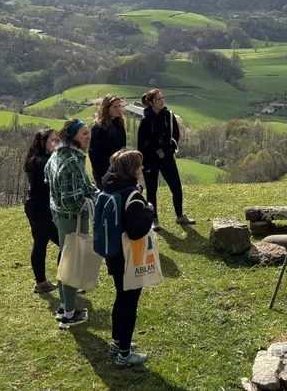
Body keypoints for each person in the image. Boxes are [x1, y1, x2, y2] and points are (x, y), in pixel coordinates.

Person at [99, 149, 156, 368]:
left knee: (120, 297)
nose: (143, 168)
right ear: (133, 170)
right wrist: (149, 211)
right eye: (140, 165)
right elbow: (135, 231)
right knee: (129, 303)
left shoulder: (110, 187)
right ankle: (125, 354)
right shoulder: (132, 196)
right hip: (128, 257)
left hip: (114, 254)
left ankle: (117, 342)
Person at [45, 117, 99, 329]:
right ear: (72, 136)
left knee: (66, 261)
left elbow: (49, 178)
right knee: (72, 265)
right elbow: (73, 201)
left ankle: (64, 306)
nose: (88, 137)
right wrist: (93, 202)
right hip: (72, 220)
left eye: (89, 133)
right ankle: (68, 314)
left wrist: (96, 193)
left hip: (60, 216)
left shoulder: (59, 154)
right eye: (84, 133)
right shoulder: (70, 162)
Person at [136, 89, 194, 230]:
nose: (162, 101)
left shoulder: (169, 116)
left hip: (167, 158)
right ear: (151, 102)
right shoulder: (145, 121)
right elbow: (141, 145)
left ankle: (180, 215)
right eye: (158, 99)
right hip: (150, 160)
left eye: (162, 98)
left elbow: (175, 135)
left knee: (176, 187)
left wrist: (167, 151)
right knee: (152, 190)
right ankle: (154, 219)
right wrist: (154, 153)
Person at [24, 128, 60, 294]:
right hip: (41, 209)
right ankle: (66, 282)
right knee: (66, 243)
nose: (56, 143)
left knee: (40, 243)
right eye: (53, 140)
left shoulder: (36, 159)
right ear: (42, 142)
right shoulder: (42, 162)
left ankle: (41, 283)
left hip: (34, 207)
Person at [89, 94, 127, 188]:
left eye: (119, 106)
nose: (118, 109)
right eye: (115, 107)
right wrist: (102, 173)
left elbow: (123, 148)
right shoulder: (99, 128)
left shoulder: (120, 126)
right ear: (107, 109)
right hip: (103, 171)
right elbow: (93, 153)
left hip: (119, 170)